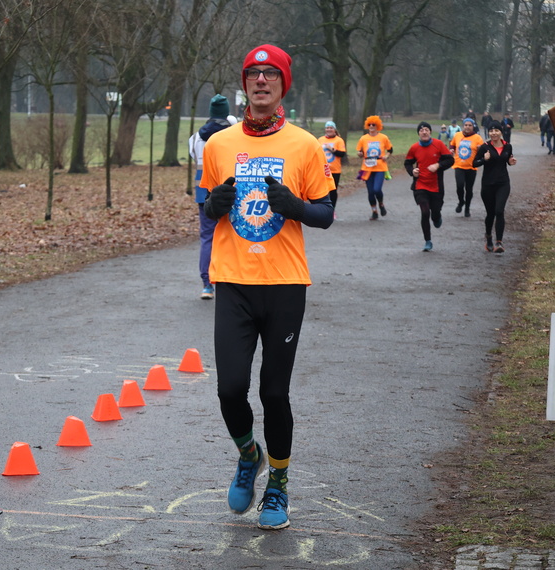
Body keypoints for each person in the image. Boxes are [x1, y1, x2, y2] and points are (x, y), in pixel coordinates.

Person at [201, 43, 334, 531]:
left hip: (284, 284)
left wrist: (294, 206)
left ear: (282, 86)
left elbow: (325, 213)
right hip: (234, 280)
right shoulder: (218, 145)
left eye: (270, 75)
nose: (261, 81)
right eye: (253, 74)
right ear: (244, 84)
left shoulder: (304, 145)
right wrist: (213, 204)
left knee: (274, 393)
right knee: (230, 389)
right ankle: (248, 454)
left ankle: (277, 483)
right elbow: (207, 208)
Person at [188, 94, 237, 300]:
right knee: (233, 235)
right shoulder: (234, 134)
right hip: (231, 190)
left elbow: (192, 155)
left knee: (207, 237)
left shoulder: (196, 137)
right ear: (226, 112)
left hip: (203, 190)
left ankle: (207, 284)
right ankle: (231, 279)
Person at [404, 122, 454, 251]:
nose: (424, 132)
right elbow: (408, 163)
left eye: (426, 130)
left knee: (435, 212)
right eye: (421, 130)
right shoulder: (414, 148)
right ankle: (428, 241)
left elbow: (450, 160)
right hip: (420, 185)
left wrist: (438, 165)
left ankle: (437, 217)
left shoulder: (438, 144)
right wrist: (412, 171)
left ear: (430, 132)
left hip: (436, 186)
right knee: (425, 212)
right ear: (419, 133)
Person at [473, 121, 516, 253]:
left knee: (499, 211)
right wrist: (484, 159)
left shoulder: (508, 146)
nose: (494, 133)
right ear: (489, 133)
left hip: (503, 183)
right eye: (491, 131)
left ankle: (499, 242)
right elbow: (474, 163)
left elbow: (508, 160)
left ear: (501, 132)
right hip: (488, 185)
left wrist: (510, 162)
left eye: (496, 130)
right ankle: (489, 237)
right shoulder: (484, 147)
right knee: (490, 214)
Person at [356, 116, 393, 220]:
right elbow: (360, 151)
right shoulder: (363, 138)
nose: (371, 126)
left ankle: (381, 203)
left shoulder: (383, 137)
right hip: (366, 167)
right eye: (369, 125)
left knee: (377, 189)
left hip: (380, 166)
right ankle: (374, 211)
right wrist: (359, 154)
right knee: (370, 192)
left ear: (378, 126)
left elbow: (390, 149)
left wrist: (386, 156)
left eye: (374, 124)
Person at [449, 117, 485, 217]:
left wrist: (480, 149)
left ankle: (467, 208)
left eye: (470, 125)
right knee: (459, 186)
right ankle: (461, 202)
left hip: (471, 167)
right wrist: (451, 150)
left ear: (473, 126)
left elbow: (483, 151)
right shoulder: (457, 135)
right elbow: (452, 145)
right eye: (466, 125)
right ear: (463, 126)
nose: (467, 127)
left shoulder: (477, 138)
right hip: (459, 165)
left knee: (469, 189)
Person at [316, 120, 347, 214]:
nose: (329, 129)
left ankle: (331, 211)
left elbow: (342, 154)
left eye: (331, 128)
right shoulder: (320, 140)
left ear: (334, 130)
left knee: (333, 191)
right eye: (327, 128)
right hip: (322, 170)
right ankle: (321, 210)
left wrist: (332, 149)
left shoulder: (338, 140)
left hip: (334, 170)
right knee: (322, 191)